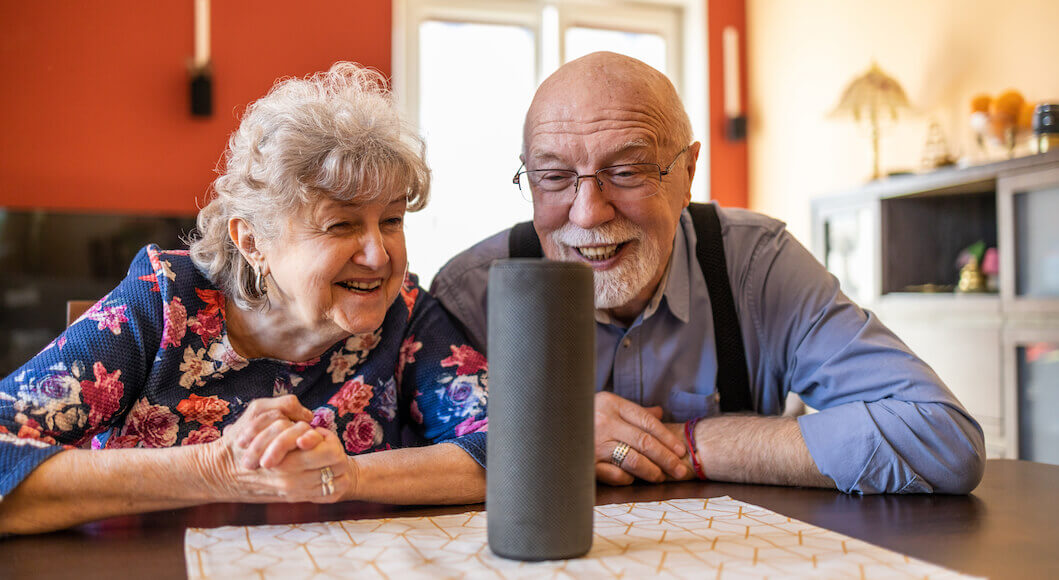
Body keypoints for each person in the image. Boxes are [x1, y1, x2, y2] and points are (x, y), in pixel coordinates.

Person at [431, 52, 984, 494]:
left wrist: (687, 443)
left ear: (688, 172)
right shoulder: (471, 295)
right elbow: (413, 463)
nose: (587, 212)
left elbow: (941, 438)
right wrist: (558, 432)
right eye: (553, 177)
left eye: (625, 171)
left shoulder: (757, 267)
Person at [0, 62, 488, 535]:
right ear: (253, 241)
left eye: (392, 221)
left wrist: (348, 477)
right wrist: (217, 468)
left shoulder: (404, 314)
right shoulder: (165, 300)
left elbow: (515, 449)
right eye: (341, 224)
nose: (379, 256)